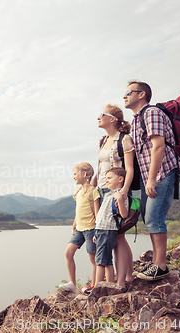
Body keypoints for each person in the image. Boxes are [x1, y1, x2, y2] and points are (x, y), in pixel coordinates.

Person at [124, 80, 180, 280]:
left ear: (141, 94)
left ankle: (161, 265)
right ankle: (157, 263)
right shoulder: (136, 119)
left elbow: (158, 146)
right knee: (149, 217)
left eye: (128, 93)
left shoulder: (151, 113)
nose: (124, 96)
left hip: (162, 172)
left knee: (154, 216)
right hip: (150, 175)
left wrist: (151, 179)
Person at [91, 104, 135, 292]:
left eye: (102, 114)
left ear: (113, 119)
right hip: (102, 190)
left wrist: (124, 190)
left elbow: (130, 168)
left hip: (117, 189)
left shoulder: (124, 139)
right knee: (111, 235)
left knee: (119, 236)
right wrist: (92, 186)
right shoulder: (103, 140)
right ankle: (123, 277)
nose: (98, 117)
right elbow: (100, 166)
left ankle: (125, 278)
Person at [58, 162, 100, 292]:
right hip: (79, 229)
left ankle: (94, 285)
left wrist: (97, 231)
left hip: (90, 229)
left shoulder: (93, 191)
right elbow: (78, 211)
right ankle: (72, 283)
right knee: (68, 253)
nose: (73, 177)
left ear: (84, 174)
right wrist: (73, 226)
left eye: (75, 174)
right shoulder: (78, 192)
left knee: (93, 258)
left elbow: (97, 214)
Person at [92, 167, 129, 293]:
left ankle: (97, 288)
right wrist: (96, 233)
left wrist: (119, 199)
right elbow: (101, 216)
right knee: (107, 261)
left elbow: (124, 215)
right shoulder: (108, 194)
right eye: (106, 178)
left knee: (100, 261)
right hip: (101, 230)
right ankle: (110, 286)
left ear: (120, 179)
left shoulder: (121, 195)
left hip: (108, 230)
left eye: (109, 178)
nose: (106, 181)